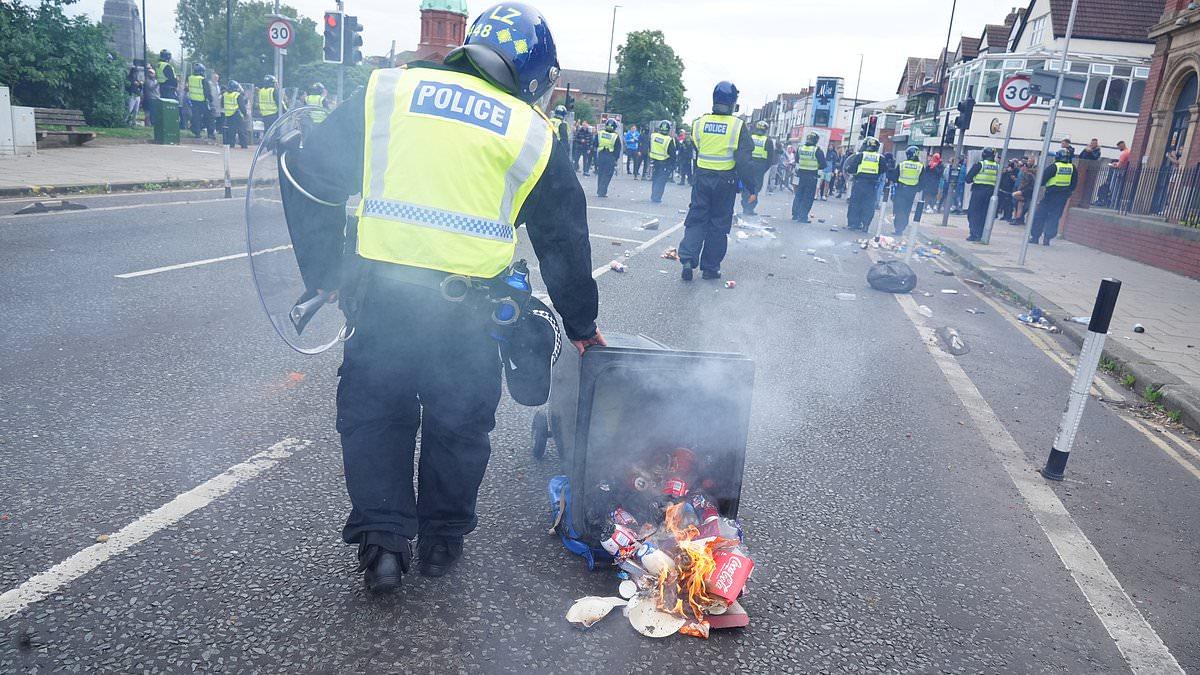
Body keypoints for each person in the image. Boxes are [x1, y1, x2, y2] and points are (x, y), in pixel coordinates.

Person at [279, 2, 604, 593]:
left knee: (376, 415)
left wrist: (324, 269)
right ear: (533, 72)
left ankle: (383, 542)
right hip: (470, 314)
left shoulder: (388, 93)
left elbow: (307, 175)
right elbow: (564, 240)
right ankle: (441, 543)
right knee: (459, 425)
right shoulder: (530, 132)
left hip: (380, 302)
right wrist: (582, 324)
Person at [678, 81, 754, 281]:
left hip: (702, 178)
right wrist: (751, 187)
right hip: (725, 181)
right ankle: (710, 268)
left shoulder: (699, 123)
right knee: (718, 224)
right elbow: (745, 160)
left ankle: (687, 258)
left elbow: (697, 146)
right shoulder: (738, 126)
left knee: (696, 219)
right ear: (733, 102)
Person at [1029, 149, 1078, 245]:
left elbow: (1042, 180)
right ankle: (1047, 239)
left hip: (1050, 196)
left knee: (1040, 215)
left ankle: (1035, 237)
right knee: (1054, 217)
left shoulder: (1054, 167)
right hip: (1062, 198)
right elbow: (1074, 183)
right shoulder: (1072, 168)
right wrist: (1067, 193)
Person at [843, 136, 884, 232]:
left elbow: (851, 168)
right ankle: (865, 225)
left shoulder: (860, 155)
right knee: (869, 205)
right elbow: (883, 170)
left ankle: (853, 224)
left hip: (859, 183)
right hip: (872, 185)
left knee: (855, 203)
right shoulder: (880, 158)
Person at [964, 148, 999, 241]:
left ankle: (974, 234)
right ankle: (981, 233)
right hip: (991, 193)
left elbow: (968, 179)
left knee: (973, 213)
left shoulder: (980, 165)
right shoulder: (997, 166)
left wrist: (975, 178)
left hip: (978, 191)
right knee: (984, 214)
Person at [741, 120, 774, 215]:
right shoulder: (768, 141)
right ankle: (750, 208)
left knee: (746, 186)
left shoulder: (750, 137)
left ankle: (745, 206)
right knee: (756, 187)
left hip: (748, 164)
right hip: (760, 166)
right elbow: (770, 158)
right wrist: (764, 169)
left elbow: (743, 151)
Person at [791, 132, 826, 223]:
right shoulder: (817, 150)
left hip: (801, 175)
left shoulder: (800, 148)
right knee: (808, 197)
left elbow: (797, 160)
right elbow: (823, 164)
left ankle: (795, 214)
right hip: (812, 176)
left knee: (799, 194)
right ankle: (802, 217)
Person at [892, 145, 923, 235]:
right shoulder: (920, 166)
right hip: (911, 191)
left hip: (901, 190)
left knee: (899, 209)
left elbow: (895, 177)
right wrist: (917, 189)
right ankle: (902, 227)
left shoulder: (902, 164)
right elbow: (922, 180)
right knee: (906, 210)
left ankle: (898, 228)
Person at [648, 120, 676, 203]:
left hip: (654, 161)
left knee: (655, 179)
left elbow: (649, 146)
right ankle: (657, 198)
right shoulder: (669, 140)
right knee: (661, 181)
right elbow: (672, 154)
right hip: (664, 163)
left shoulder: (653, 136)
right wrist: (672, 166)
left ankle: (653, 196)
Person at [595, 118, 622, 197]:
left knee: (601, 173)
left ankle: (599, 190)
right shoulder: (615, 136)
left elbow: (595, 144)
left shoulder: (600, 133)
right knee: (607, 175)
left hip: (601, 155)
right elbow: (618, 149)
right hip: (610, 156)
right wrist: (616, 159)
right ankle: (602, 191)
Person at [186, 63, 211, 139]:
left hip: (193, 101)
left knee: (196, 117)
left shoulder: (190, 78)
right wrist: (210, 100)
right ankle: (210, 134)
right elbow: (207, 91)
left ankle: (197, 133)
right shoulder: (203, 80)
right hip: (202, 101)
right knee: (209, 117)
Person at [221, 80, 248, 149]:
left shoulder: (225, 95)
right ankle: (244, 145)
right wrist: (245, 114)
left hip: (228, 115)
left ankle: (231, 144)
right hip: (236, 114)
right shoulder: (237, 95)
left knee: (231, 130)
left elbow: (222, 104)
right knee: (241, 130)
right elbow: (242, 106)